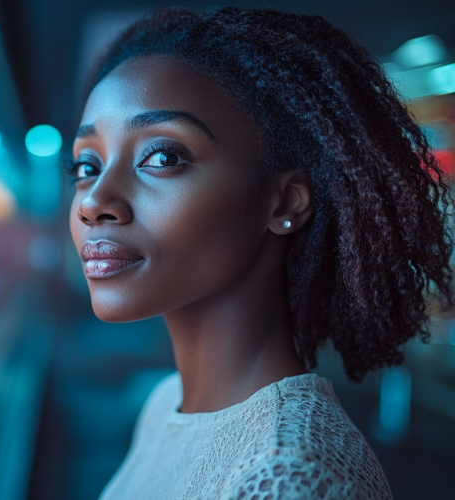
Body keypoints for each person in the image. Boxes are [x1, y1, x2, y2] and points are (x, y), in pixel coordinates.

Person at [67, 7, 452, 500]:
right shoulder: (168, 403)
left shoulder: (292, 476)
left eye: (163, 157)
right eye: (86, 165)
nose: (96, 201)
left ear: (285, 201)